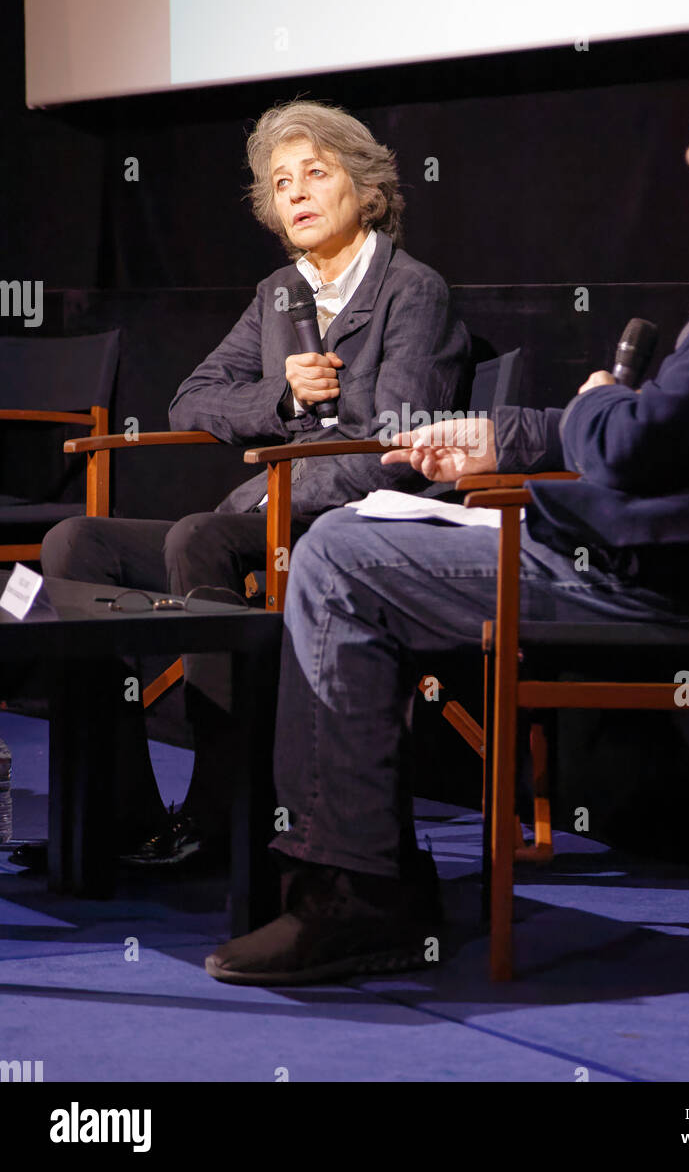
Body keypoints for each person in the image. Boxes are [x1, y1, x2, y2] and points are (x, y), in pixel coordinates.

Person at [205, 66, 689, 986]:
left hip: (664, 581)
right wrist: (499, 437)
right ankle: (362, 868)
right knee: (353, 546)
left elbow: (636, 438)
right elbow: (650, 433)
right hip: (659, 555)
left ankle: (357, 894)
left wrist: (606, 399)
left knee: (340, 557)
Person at [41, 99, 471, 863]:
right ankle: (116, 814)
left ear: (364, 189)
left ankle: (219, 818)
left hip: (346, 530)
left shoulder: (413, 292)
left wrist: (272, 490)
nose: (297, 193)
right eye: (281, 182)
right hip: (258, 517)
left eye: (316, 173)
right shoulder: (281, 292)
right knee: (77, 542)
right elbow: (192, 397)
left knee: (200, 535)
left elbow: (395, 446)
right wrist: (281, 397)